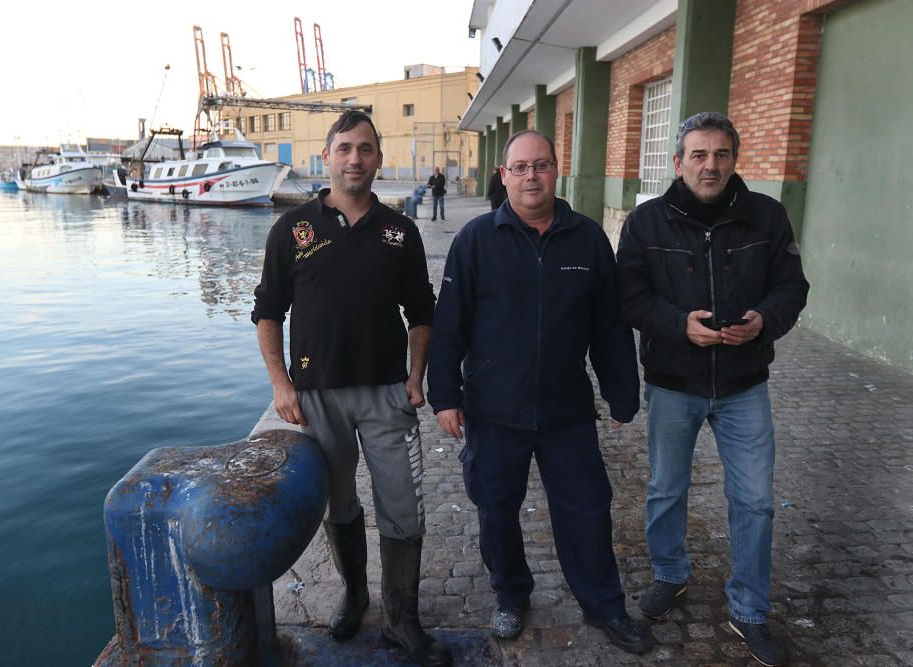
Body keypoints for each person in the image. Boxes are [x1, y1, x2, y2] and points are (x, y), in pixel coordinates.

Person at [428, 129, 651, 655]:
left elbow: (609, 327)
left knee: (588, 508)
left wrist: (622, 393)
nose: (532, 175)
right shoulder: (476, 241)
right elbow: (449, 328)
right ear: (504, 175)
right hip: (493, 409)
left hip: (566, 409)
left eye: (542, 165)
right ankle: (510, 595)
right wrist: (445, 396)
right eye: (521, 167)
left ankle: (605, 605)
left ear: (557, 170)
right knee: (495, 509)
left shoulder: (588, 239)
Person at [252, 110, 451, 667]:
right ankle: (355, 594)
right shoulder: (292, 230)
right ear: (328, 156)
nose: (355, 159)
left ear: (377, 159)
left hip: (387, 394)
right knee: (338, 504)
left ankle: (402, 622)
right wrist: (281, 385)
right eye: (345, 149)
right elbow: (268, 312)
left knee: (403, 509)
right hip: (316, 397)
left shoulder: (399, 232)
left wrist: (416, 377)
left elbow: (422, 312)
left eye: (365, 149)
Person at [615, 111, 809, 667]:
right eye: (698, 155)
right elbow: (628, 293)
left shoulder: (767, 217)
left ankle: (749, 610)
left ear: (734, 160)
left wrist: (763, 322)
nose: (710, 165)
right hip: (674, 382)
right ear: (678, 163)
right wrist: (679, 324)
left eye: (721, 154)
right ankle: (670, 573)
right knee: (666, 490)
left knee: (755, 500)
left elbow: (791, 287)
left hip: (745, 382)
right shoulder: (647, 222)